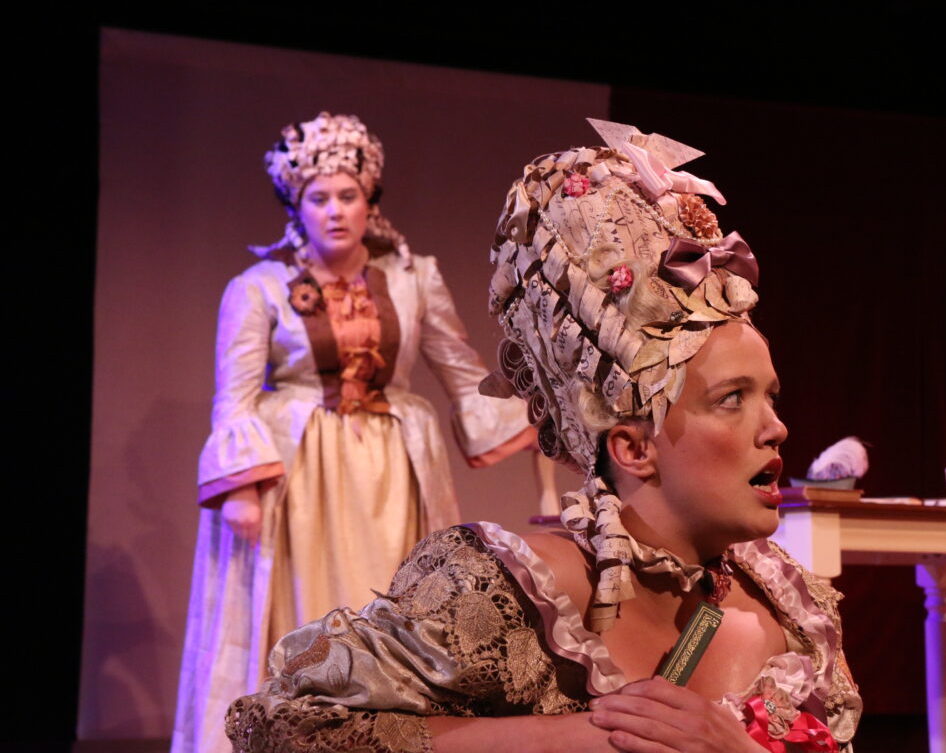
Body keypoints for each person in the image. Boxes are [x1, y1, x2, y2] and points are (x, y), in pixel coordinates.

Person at [225, 120, 862, 753]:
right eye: (732, 400)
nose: (776, 428)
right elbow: (283, 726)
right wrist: (570, 737)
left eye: (769, 396)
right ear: (633, 447)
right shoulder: (515, 591)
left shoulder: (791, 608)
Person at [173, 112, 532, 753]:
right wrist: (240, 490)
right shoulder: (258, 288)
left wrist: (533, 413)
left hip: (396, 472)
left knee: (391, 607)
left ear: (370, 201)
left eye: (348, 195)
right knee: (306, 608)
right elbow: (234, 398)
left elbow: (461, 372)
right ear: (297, 205)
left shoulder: (414, 279)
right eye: (319, 198)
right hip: (300, 478)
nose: (335, 210)